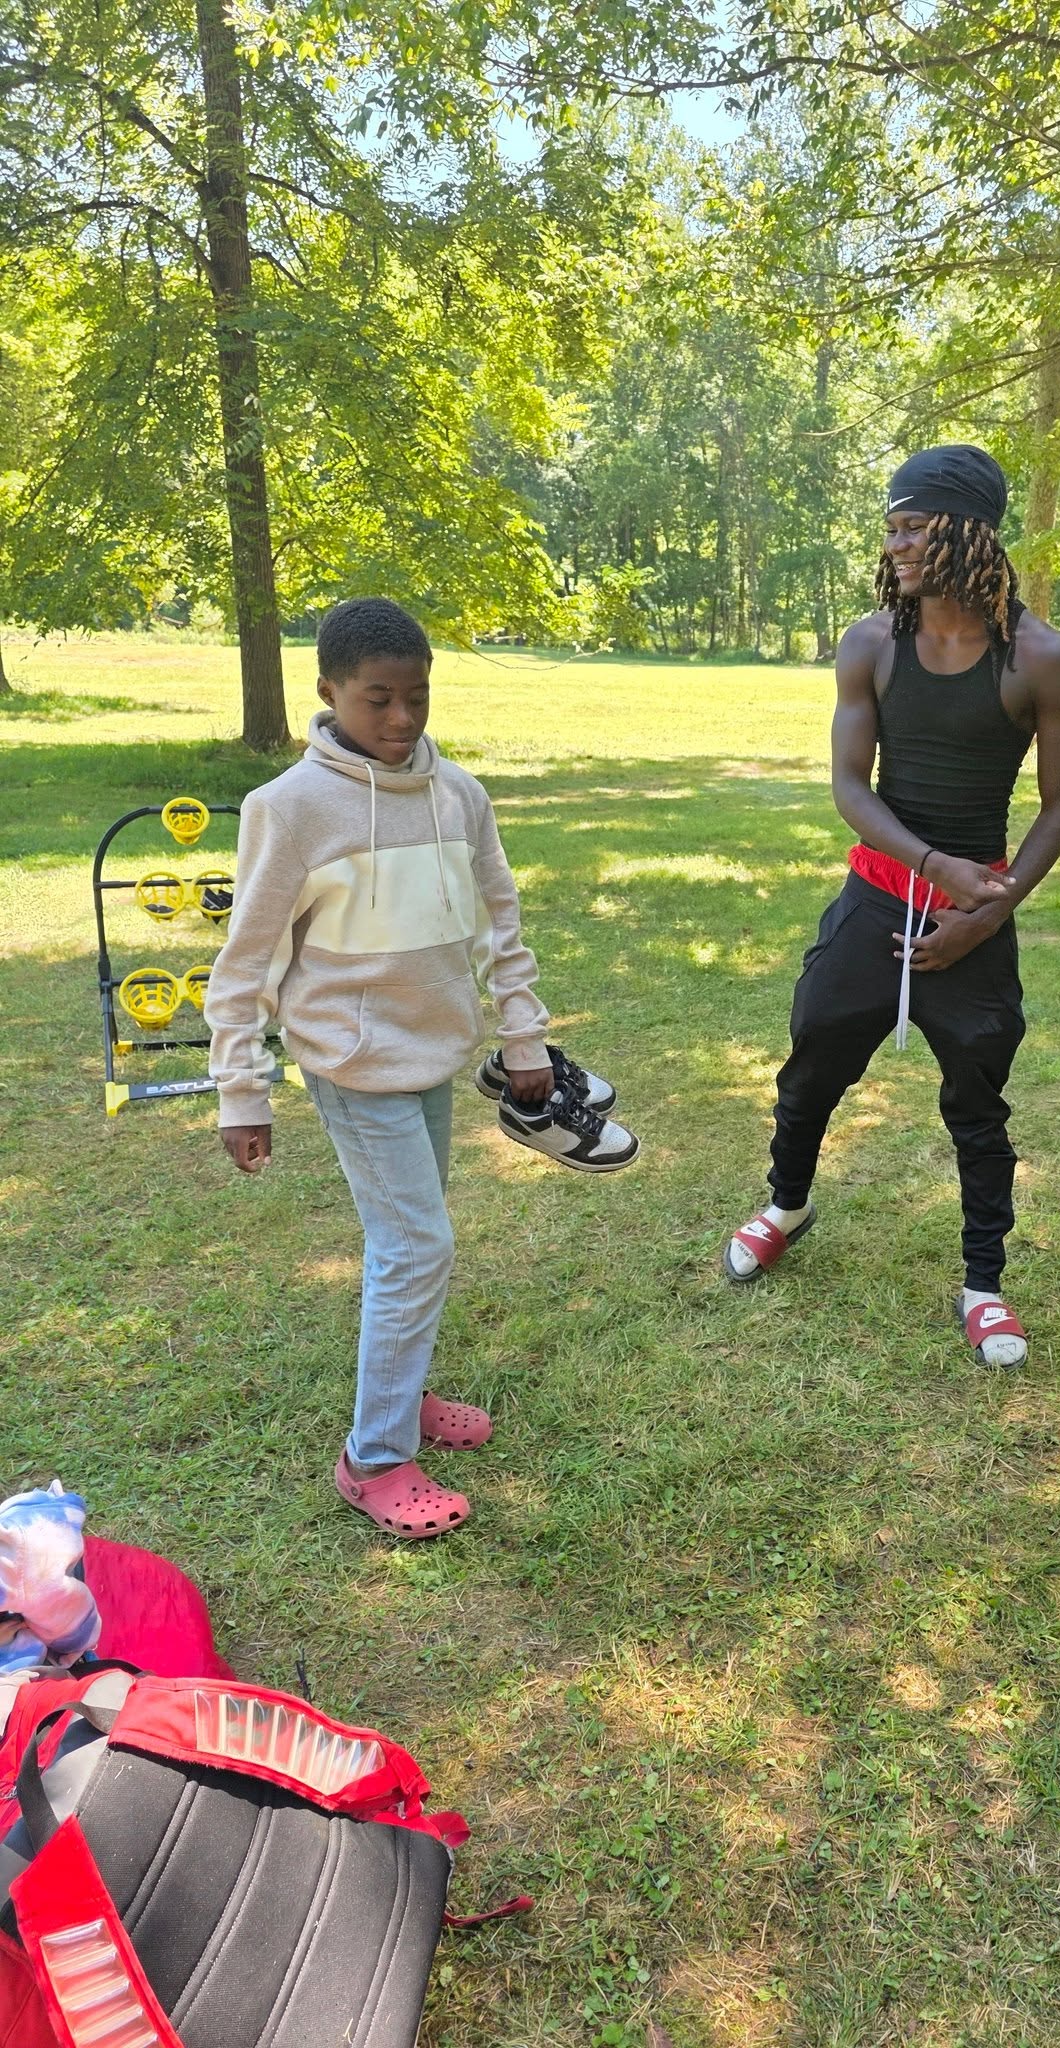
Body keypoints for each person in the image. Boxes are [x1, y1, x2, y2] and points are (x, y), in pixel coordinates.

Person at [205, 597, 636, 1539]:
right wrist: (242, 1088)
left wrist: (524, 1041)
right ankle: (374, 1458)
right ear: (328, 693)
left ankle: (401, 1394)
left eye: (416, 697)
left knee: (408, 1247)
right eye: (376, 700)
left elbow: (500, 927)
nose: (401, 720)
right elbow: (248, 960)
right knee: (419, 1247)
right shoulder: (288, 808)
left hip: (434, 1057)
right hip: (352, 1067)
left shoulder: (459, 796)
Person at [723, 446, 1060, 1367]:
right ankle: (786, 1206)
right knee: (809, 1068)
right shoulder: (871, 644)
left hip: (975, 927)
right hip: (878, 902)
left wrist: (987, 912)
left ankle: (983, 1286)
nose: (897, 543)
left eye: (914, 525)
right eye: (891, 527)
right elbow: (850, 787)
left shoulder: (1042, 657)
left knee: (977, 1101)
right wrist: (935, 868)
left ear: (969, 533)